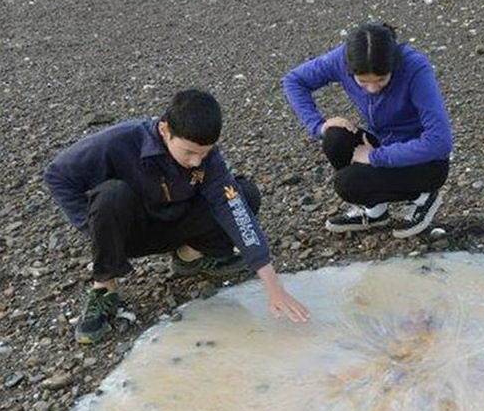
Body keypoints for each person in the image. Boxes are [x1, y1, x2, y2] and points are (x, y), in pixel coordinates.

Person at [45, 89, 309, 344]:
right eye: (189, 152)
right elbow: (57, 175)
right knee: (112, 195)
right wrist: (90, 227)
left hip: (176, 225)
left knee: (243, 195)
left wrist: (273, 286)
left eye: (204, 153)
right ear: (165, 130)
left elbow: (236, 211)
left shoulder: (208, 160)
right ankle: (104, 289)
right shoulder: (119, 141)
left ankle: (189, 258)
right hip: (130, 232)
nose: (197, 162)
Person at [282, 22, 453, 238]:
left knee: (347, 184)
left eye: (381, 80)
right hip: (383, 144)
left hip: (426, 163)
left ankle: (423, 197)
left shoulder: (414, 67)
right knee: (334, 138)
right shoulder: (342, 59)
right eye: (363, 82)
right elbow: (294, 80)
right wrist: (318, 125)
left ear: (393, 65)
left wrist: (375, 157)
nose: (372, 88)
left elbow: (440, 142)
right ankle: (375, 212)